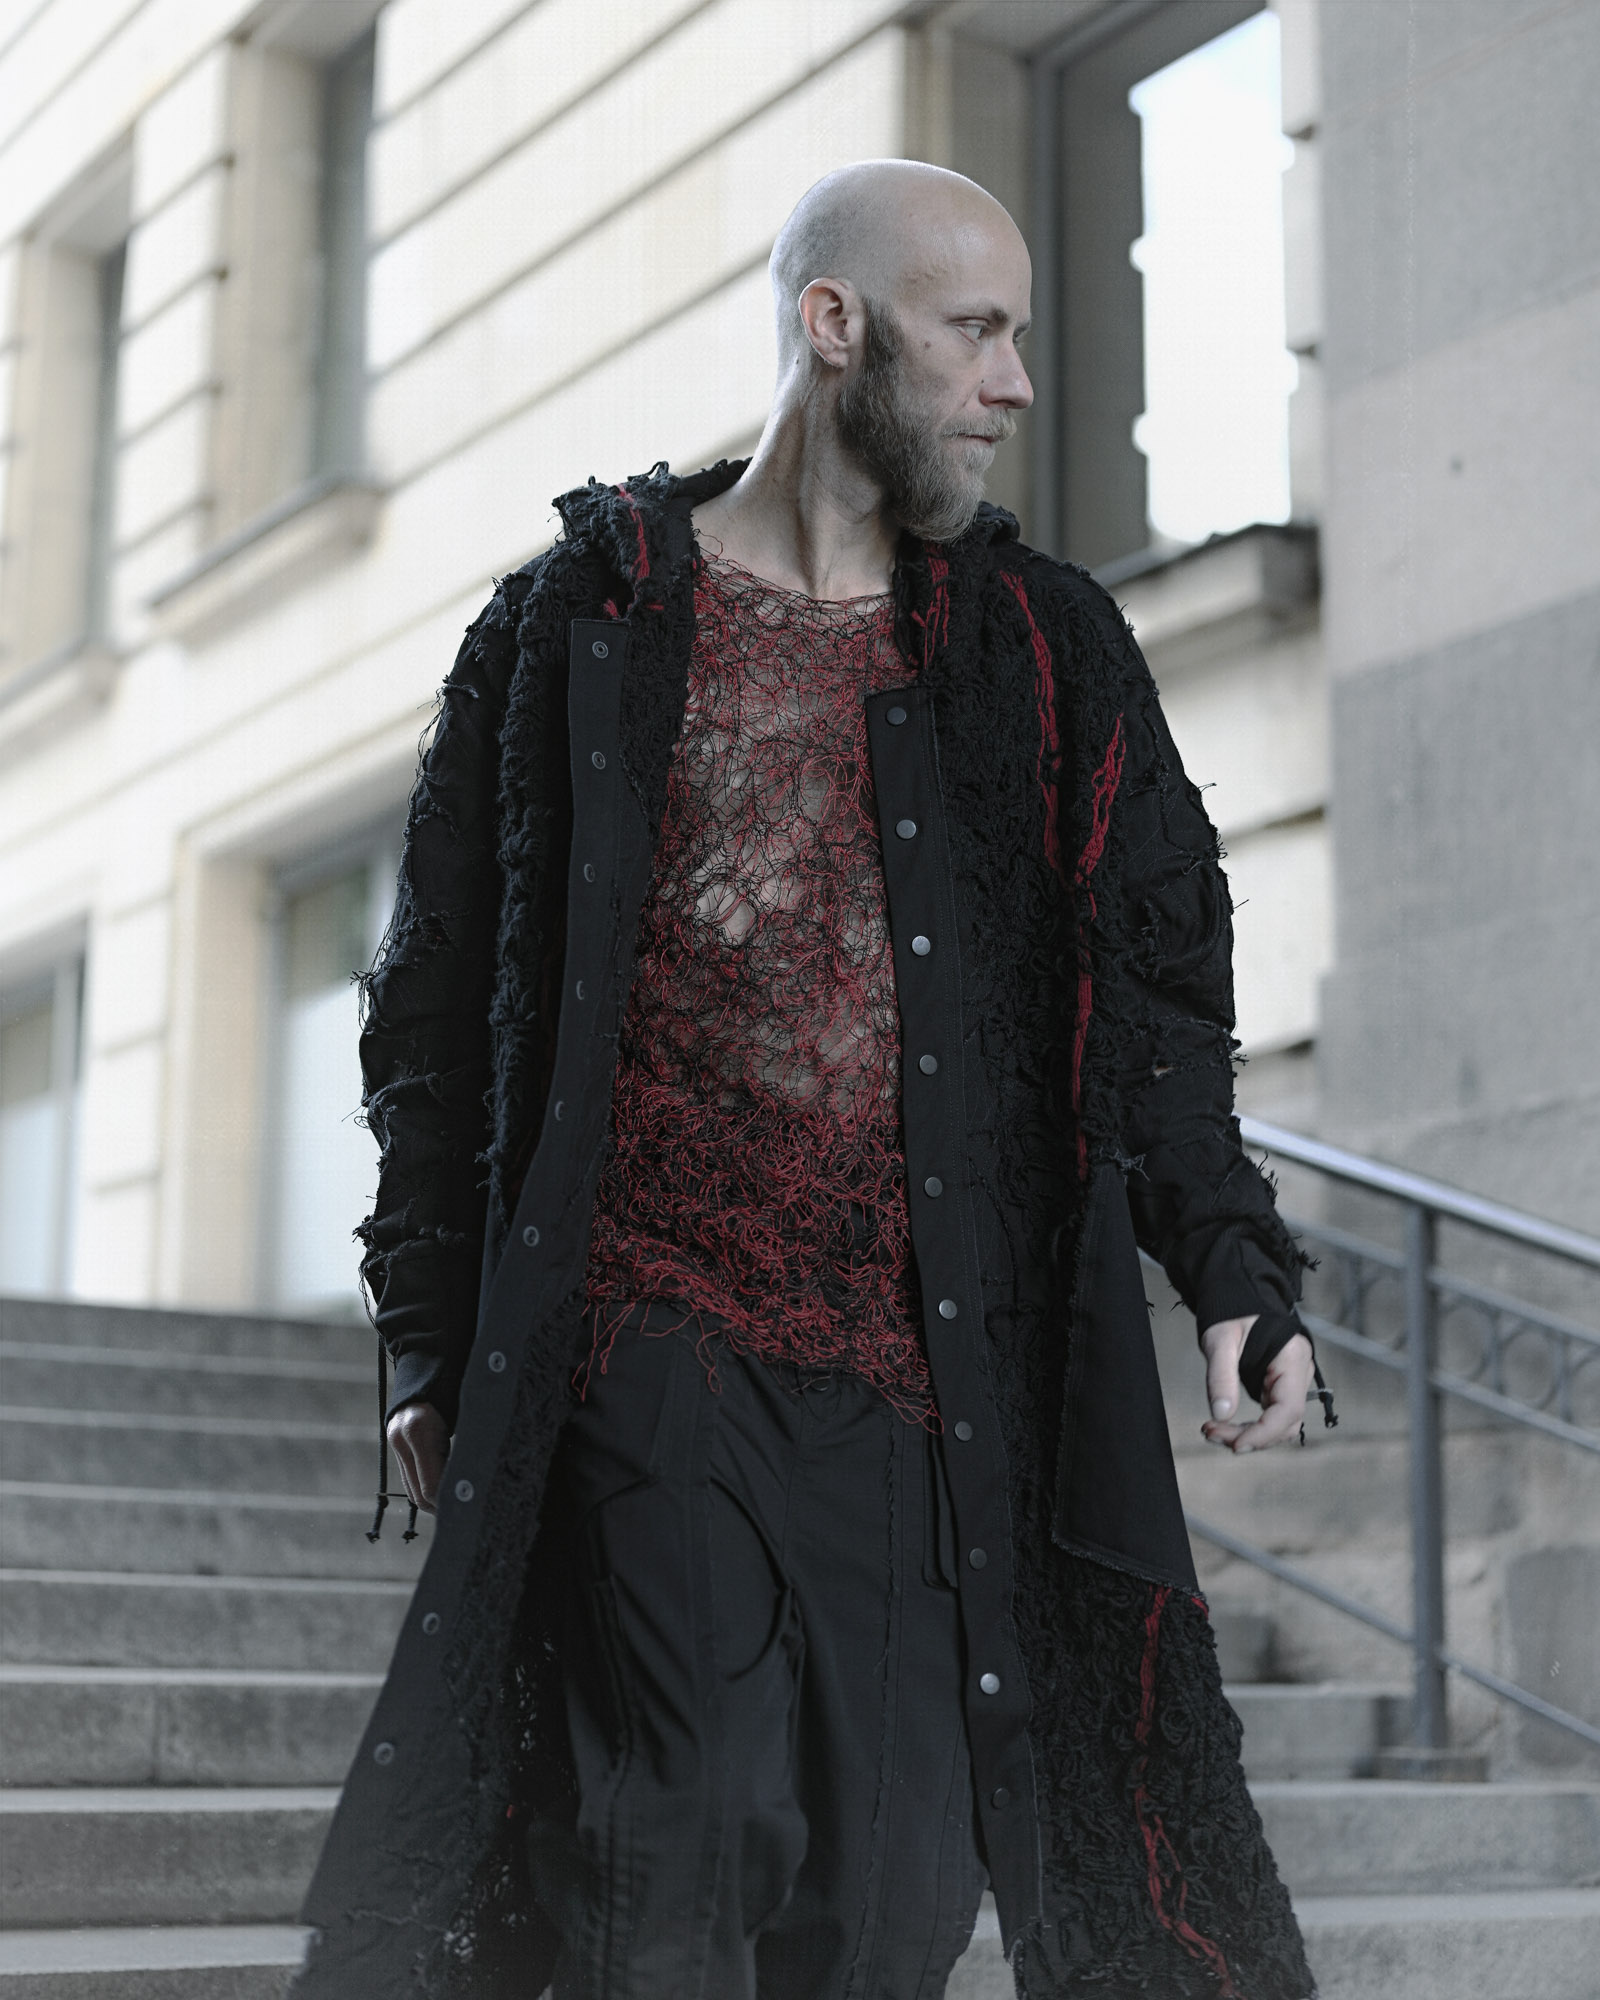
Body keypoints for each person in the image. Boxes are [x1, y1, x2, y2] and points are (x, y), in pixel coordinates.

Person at [297, 161, 1332, 2000]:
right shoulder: (577, 626)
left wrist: (1233, 1270)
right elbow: (439, 1019)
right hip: (652, 1335)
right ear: (833, 323)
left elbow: (1157, 997)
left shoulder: (1045, 649)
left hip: (942, 1383)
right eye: (976, 330)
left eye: (1020, 335)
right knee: (674, 1840)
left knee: (887, 1910)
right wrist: (432, 1338)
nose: (1015, 382)